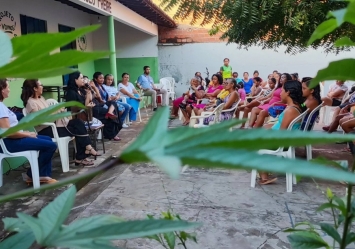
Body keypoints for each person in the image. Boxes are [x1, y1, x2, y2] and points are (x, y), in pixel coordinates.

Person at [21, 79, 100, 166]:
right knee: (78, 129)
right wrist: (56, 112)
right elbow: (40, 121)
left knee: (78, 122)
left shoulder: (41, 98)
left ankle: (87, 148)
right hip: (47, 130)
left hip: (56, 125)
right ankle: (82, 155)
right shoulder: (31, 103)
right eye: (41, 85)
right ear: (35, 88)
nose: (42, 86)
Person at [0, 79, 57, 185]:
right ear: (2, 90)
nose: (9, 90)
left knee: (48, 140)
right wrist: (26, 134)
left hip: (15, 138)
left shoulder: (2, 105)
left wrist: (23, 132)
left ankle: (41, 175)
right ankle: (32, 174)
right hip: (10, 143)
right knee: (51, 145)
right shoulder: (0, 108)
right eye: (7, 87)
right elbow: (7, 133)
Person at [259, 80, 304, 184]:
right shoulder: (294, 107)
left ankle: (264, 176)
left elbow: (281, 133)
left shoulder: (290, 110)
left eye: (282, 90)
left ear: (288, 92)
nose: (280, 93)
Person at [65, 72, 122, 141]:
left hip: (89, 111)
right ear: (75, 80)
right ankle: (112, 133)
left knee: (111, 112)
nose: (83, 80)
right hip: (83, 115)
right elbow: (74, 109)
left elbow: (88, 102)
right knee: (109, 114)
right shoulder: (71, 93)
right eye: (81, 78)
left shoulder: (80, 90)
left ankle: (111, 133)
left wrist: (89, 92)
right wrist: (88, 104)